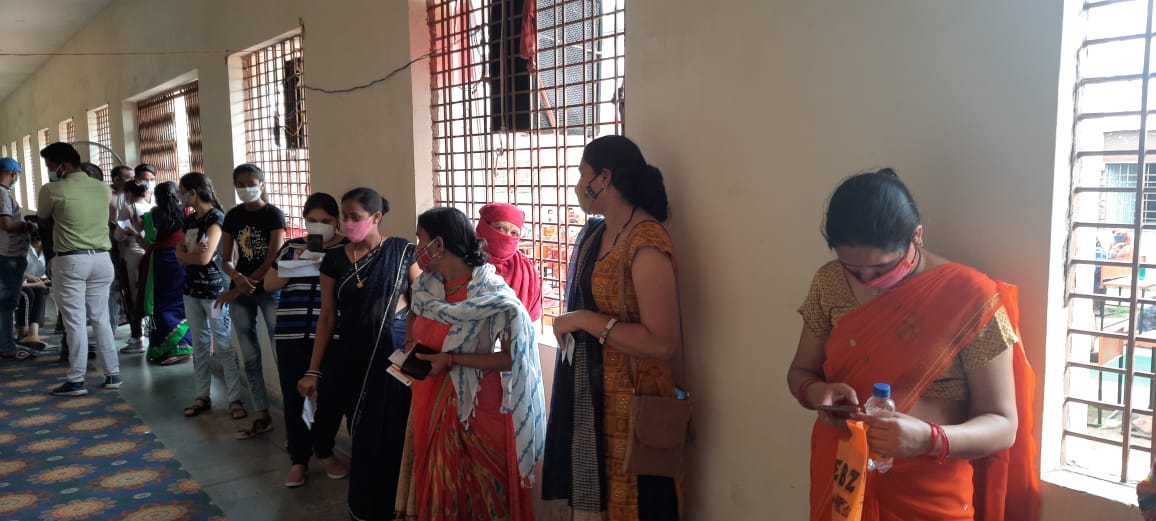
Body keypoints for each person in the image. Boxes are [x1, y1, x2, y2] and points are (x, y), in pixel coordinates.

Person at [785, 168, 1040, 520]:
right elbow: (800, 372)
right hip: (844, 480)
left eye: (882, 268)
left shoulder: (970, 298)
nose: (868, 281)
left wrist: (928, 439)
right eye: (852, 268)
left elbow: (1002, 424)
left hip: (931, 493)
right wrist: (815, 392)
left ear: (916, 237)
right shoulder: (829, 283)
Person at [541, 135, 683, 520]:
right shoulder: (596, 233)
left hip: (635, 399)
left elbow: (661, 342)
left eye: (582, 174)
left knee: (639, 503)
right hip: (595, 394)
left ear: (604, 177)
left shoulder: (646, 240)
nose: (578, 183)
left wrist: (585, 320)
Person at [405, 206, 545, 521]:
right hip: (431, 398)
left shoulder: (492, 295)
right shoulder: (427, 288)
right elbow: (416, 320)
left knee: (483, 496)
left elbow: (513, 357)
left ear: (438, 245)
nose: (417, 249)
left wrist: (452, 359)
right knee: (445, 492)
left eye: (421, 240)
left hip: (478, 411)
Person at [295, 188, 417, 521]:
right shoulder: (334, 260)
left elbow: (423, 306)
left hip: (393, 357)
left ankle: (398, 507)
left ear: (376, 217)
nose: (348, 223)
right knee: (363, 435)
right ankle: (364, 509)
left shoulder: (403, 251)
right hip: (351, 358)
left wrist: (414, 350)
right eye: (344, 217)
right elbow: (327, 317)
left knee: (393, 435)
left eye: (355, 217)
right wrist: (313, 370)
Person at [264, 192, 350, 488]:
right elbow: (268, 284)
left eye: (324, 221)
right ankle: (299, 459)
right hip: (292, 333)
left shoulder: (348, 249)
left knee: (331, 396)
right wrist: (295, 263)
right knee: (294, 396)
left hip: (333, 336)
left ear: (336, 220)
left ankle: (325, 452)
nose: (318, 227)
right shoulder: (291, 247)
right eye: (311, 221)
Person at [38, 143, 120, 396]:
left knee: (74, 322)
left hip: (71, 260)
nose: (50, 170)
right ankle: (112, 374)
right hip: (102, 260)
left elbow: (44, 224)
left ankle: (76, 380)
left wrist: (51, 260)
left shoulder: (51, 190)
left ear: (62, 164)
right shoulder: (102, 188)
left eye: (50, 165)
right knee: (100, 319)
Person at [219, 163, 285, 440]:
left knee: (281, 352)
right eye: (240, 184)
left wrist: (244, 284)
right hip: (242, 291)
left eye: (251, 182)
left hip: (268, 288)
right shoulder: (233, 216)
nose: (246, 188)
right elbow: (225, 258)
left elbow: (274, 257)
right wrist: (236, 276)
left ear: (262, 182)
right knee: (250, 355)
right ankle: (261, 412)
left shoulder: (273, 214)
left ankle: (294, 414)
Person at [177, 172, 246, 419]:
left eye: (182, 190)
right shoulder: (191, 219)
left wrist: (189, 255)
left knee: (224, 345)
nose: (180, 195)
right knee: (200, 345)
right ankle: (202, 395)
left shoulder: (217, 218)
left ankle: (235, 399)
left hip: (215, 293)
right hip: (192, 290)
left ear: (194, 192)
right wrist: (189, 255)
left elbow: (205, 258)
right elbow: (181, 253)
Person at [137, 181, 192, 365]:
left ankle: (169, 347)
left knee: (160, 305)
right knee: (179, 302)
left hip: (160, 263)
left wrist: (135, 235)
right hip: (181, 262)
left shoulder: (154, 215)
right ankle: (183, 345)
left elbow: (148, 244)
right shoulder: (185, 214)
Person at [476, 202, 543, 321]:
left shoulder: (526, 269)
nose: (507, 237)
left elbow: (531, 318)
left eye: (514, 233)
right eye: (500, 228)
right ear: (484, 227)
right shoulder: (463, 262)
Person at [0, 157, 35, 361]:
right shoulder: (3, 194)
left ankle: (5, 342)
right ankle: (6, 345)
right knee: (6, 303)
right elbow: (6, 224)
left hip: (6, 255)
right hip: (8, 255)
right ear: (13, 173)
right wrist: (28, 226)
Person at [112, 179, 151, 353]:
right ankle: (149, 331)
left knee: (132, 295)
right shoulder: (152, 207)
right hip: (148, 253)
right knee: (147, 291)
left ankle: (136, 336)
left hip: (132, 255)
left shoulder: (128, 208)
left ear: (128, 193)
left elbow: (119, 235)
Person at [18, 216, 49, 351]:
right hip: (19, 282)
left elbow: (45, 274)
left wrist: (43, 281)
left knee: (40, 291)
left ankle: (33, 334)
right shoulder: (22, 247)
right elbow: (17, 272)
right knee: (28, 293)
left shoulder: (47, 250)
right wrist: (31, 278)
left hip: (35, 282)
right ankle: (22, 333)